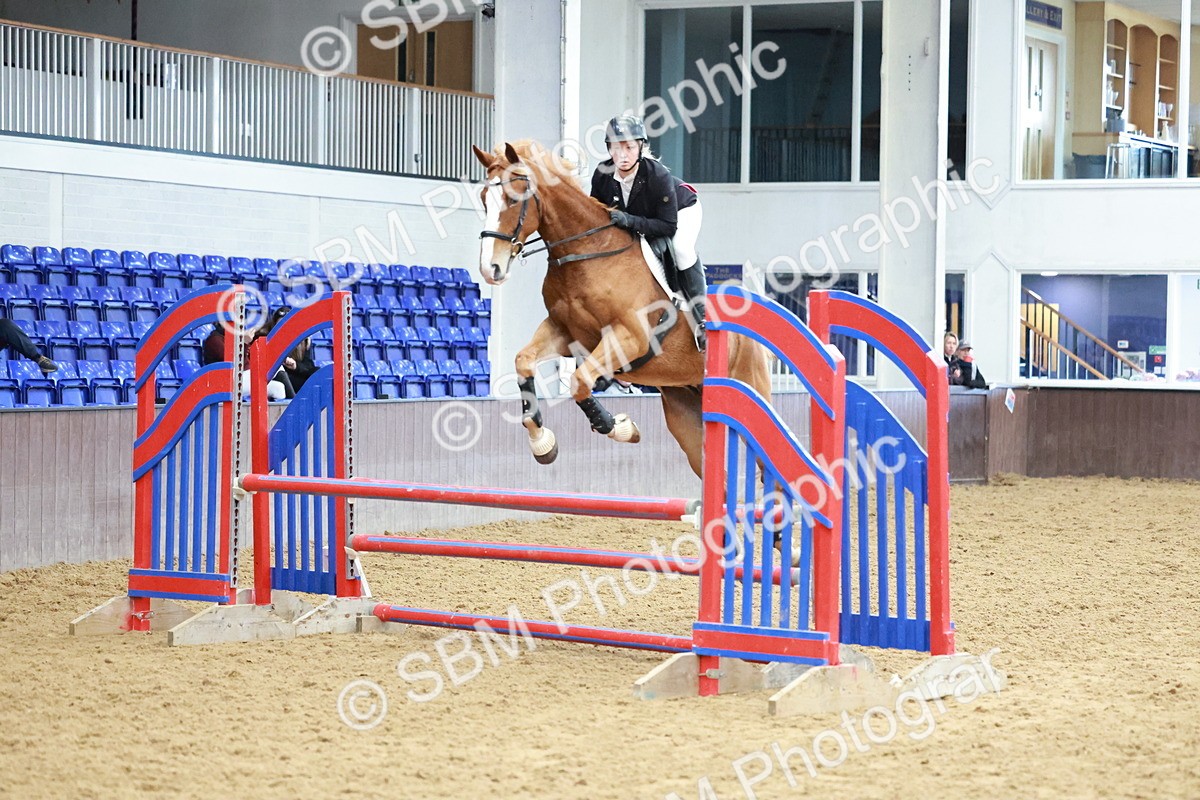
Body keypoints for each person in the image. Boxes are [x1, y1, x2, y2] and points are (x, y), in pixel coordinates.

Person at [590, 114, 707, 350]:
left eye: (629, 147)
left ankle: (702, 318)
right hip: (643, 219)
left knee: (681, 248)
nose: (622, 155)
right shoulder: (602, 174)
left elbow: (666, 226)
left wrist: (629, 220)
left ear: (640, 147)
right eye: (616, 148)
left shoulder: (657, 175)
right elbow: (595, 215)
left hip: (681, 210)